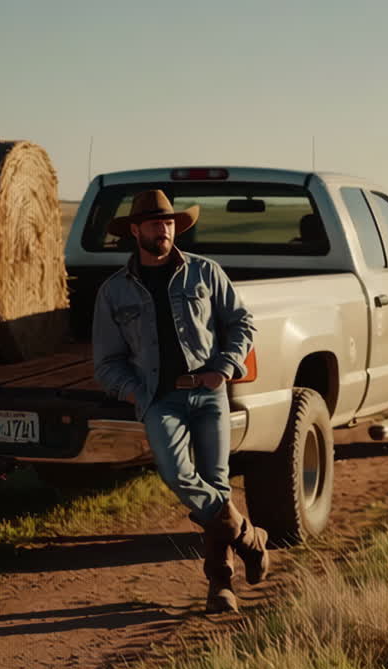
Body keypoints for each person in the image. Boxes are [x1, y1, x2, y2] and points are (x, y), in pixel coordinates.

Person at [92, 189, 269, 613]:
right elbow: (107, 362)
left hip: (209, 393)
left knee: (217, 482)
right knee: (178, 476)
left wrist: (225, 367)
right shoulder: (114, 292)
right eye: (155, 223)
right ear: (135, 231)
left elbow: (241, 322)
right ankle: (248, 535)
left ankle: (221, 586)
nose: (164, 229)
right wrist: (135, 391)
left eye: (170, 222)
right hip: (160, 399)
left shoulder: (205, 273)